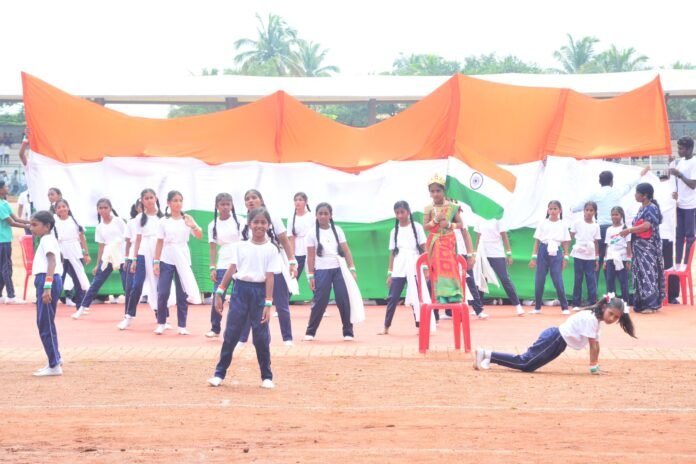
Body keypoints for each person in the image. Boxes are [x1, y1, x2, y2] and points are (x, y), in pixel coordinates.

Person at [207, 207, 281, 388]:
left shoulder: (271, 249)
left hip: (260, 293)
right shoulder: (240, 247)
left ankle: (267, 377)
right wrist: (220, 291)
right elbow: (232, 269)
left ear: (268, 225)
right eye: (256, 222)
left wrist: (268, 303)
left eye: (263, 222)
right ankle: (219, 374)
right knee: (231, 333)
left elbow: (270, 277)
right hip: (240, 291)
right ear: (249, 224)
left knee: (261, 336)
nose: (259, 226)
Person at [473, 296, 635, 373]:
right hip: (555, 339)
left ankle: (488, 357)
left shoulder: (595, 320)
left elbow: (596, 344)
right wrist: (594, 367)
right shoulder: (591, 319)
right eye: (611, 314)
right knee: (524, 364)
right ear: (604, 307)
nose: (612, 318)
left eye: (616, 318)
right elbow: (593, 345)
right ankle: (486, 354)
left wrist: (596, 364)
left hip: (558, 343)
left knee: (527, 365)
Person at [238, 189, 297, 346]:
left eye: (254, 197)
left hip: (275, 266)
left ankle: (287, 338)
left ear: (261, 200)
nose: (250, 200)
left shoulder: (273, 218)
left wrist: (292, 261)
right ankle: (242, 339)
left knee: (282, 304)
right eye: (247, 198)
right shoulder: (243, 222)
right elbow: (240, 248)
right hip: (253, 269)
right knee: (249, 306)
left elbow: (284, 240)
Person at [572, 166, 649, 281]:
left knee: (598, 259)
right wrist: (641, 173)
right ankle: (615, 292)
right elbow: (630, 184)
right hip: (616, 229)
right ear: (612, 181)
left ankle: (595, 293)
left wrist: (570, 209)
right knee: (614, 260)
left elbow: (577, 207)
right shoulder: (617, 191)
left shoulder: (594, 194)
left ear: (599, 182)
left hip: (600, 229)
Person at [303, 202, 359, 341]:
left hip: (339, 268)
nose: (323, 216)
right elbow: (310, 256)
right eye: (320, 213)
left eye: (326, 213)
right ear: (316, 215)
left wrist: (352, 268)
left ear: (331, 215)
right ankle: (310, 332)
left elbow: (346, 250)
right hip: (321, 270)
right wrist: (311, 276)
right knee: (320, 301)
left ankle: (348, 332)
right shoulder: (311, 233)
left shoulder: (338, 230)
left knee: (343, 299)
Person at [152, 190, 203, 335]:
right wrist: (156, 262)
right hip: (167, 257)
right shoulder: (163, 221)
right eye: (175, 200)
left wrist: (193, 225)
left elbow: (199, 235)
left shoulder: (187, 218)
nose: (178, 203)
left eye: (180, 200)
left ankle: (182, 325)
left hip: (183, 257)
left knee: (182, 293)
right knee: (163, 292)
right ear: (168, 203)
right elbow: (160, 242)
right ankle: (161, 322)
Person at [423, 174, 475, 306]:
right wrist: (435, 220)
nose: (435, 194)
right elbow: (425, 227)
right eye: (432, 191)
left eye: (438, 191)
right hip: (435, 243)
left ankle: (454, 295)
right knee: (438, 269)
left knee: (451, 266)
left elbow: (461, 224)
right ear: (429, 193)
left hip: (448, 241)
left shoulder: (452, 207)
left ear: (443, 191)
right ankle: (441, 297)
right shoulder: (428, 208)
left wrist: (449, 225)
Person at [72, 199, 127, 319]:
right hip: (107, 257)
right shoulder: (99, 227)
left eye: (105, 207)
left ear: (110, 209)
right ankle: (82, 308)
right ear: (97, 210)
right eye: (100, 208)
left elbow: (127, 238)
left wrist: (128, 257)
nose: (103, 210)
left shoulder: (119, 221)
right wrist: (98, 265)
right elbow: (101, 247)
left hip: (121, 256)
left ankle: (128, 314)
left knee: (126, 284)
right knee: (96, 283)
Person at [379, 201, 426, 335]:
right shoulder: (394, 231)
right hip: (399, 265)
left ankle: (420, 326)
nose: (400, 215)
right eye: (397, 213)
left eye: (402, 212)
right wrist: (390, 272)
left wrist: (426, 266)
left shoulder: (417, 227)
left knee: (416, 296)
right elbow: (392, 253)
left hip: (414, 262)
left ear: (408, 212)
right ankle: (386, 327)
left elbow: (424, 247)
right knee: (393, 297)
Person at [121, 189, 165, 330]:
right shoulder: (139, 218)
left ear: (156, 198)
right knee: (137, 285)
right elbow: (138, 239)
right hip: (142, 252)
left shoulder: (162, 217)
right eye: (146, 198)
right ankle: (129, 316)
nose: (149, 200)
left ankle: (162, 316)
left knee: (159, 285)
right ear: (142, 200)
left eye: (151, 197)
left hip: (158, 253)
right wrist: (133, 259)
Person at [29, 211, 65, 377]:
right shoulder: (47, 238)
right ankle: (55, 358)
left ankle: (54, 364)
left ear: (47, 226)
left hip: (47, 280)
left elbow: (52, 261)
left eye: (35, 225)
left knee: (45, 323)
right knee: (47, 322)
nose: (31, 228)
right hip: (47, 279)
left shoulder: (46, 239)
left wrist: (47, 287)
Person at [619, 183, 664, 313]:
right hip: (639, 247)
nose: (635, 195)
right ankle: (642, 303)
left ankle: (650, 304)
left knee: (648, 274)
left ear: (644, 196)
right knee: (639, 274)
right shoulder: (641, 208)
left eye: (637, 193)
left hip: (648, 247)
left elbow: (646, 226)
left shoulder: (651, 208)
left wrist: (629, 230)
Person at [205, 193, 241, 338]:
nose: (226, 207)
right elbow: (213, 248)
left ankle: (237, 329)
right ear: (217, 206)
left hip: (239, 262)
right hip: (222, 263)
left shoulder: (241, 221)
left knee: (238, 297)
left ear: (232, 205)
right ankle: (215, 328)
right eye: (222, 204)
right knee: (217, 295)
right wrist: (212, 267)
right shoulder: (212, 225)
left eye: (228, 204)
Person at [474, 218, 525, 316]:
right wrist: (476, 253)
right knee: (481, 279)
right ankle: (479, 307)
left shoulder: (498, 219)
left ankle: (518, 306)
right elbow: (478, 237)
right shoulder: (479, 219)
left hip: (497, 252)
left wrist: (509, 253)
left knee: (504, 278)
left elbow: (504, 236)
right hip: (483, 252)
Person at [529, 200, 571, 314]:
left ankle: (565, 307)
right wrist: (534, 256)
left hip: (556, 252)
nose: (553, 211)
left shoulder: (563, 224)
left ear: (560, 210)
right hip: (543, 250)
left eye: (555, 209)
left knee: (557, 280)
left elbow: (566, 242)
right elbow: (537, 240)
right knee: (539, 280)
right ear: (548, 210)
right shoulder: (542, 223)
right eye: (551, 209)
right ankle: (537, 307)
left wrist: (566, 257)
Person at [53, 199, 91, 308]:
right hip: (61, 253)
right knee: (59, 277)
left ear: (68, 207)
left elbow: (82, 238)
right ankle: (52, 301)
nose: (62, 209)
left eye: (64, 206)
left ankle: (81, 304)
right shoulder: (54, 222)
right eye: (59, 207)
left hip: (75, 252)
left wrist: (86, 253)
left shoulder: (75, 220)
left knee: (78, 278)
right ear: (56, 210)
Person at [0, 180, 31, 303]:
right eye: (5, 186)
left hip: (5, 240)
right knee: (7, 268)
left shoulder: (4, 203)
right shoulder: (1, 205)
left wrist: (31, 222)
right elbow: (11, 222)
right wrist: (29, 227)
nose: (7, 188)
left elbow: (17, 218)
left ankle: (1, 295)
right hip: (3, 241)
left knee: (3, 268)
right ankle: (11, 295)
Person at [669, 136, 696, 272]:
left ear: (690, 148)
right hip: (680, 204)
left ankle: (686, 264)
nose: (678, 150)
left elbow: (692, 184)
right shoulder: (680, 162)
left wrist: (679, 174)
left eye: (681, 148)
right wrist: (676, 192)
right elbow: (677, 183)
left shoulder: (694, 162)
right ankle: (678, 263)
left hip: (691, 206)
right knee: (679, 236)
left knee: (690, 236)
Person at [570, 201, 600, 311]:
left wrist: (596, 258)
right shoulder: (577, 222)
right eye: (587, 210)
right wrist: (566, 251)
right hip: (578, 254)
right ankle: (576, 303)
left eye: (591, 210)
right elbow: (571, 236)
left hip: (590, 256)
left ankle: (593, 303)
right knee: (578, 278)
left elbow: (596, 242)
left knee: (591, 279)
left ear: (595, 212)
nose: (588, 212)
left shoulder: (596, 226)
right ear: (583, 211)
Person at [120, 199, 143, 329]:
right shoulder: (131, 222)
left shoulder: (156, 219)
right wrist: (126, 258)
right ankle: (127, 315)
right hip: (133, 255)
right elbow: (128, 242)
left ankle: (162, 317)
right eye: (139, 205)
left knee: (156, 287)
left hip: (149, 254)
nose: (142, 207)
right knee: (130, 287)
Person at [603, 207, 632, 305]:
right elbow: (608, 245)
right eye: (612, 215)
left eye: (616, 214)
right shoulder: (609, 229)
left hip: (622, 258)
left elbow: (628, 244)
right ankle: (611, 302)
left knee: (623, 282)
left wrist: (628, 260)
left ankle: (625, 302)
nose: (614, 217)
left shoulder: (625, 228)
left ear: (621, 216)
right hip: (610, 257)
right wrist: (605, 260)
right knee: (610, 281)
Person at [658, 174, 680, 303]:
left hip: (669, 237)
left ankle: (671, 295)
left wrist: (676, 200)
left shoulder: (674, 198)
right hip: (660, 236)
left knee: (670, 266)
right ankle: (666, 295)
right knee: (664, 266)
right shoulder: (655, 197)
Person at [288, 192, 313, 280]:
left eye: (300, 200)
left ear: (306, 202)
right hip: (298, 252)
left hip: (311, 251)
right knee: (292, 278)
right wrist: (292, 257)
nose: (297, 202)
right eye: (295, 200)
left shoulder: (312, 216)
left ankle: (318, 294)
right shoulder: (291, 218)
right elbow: (291, 238)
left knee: (314, 278)